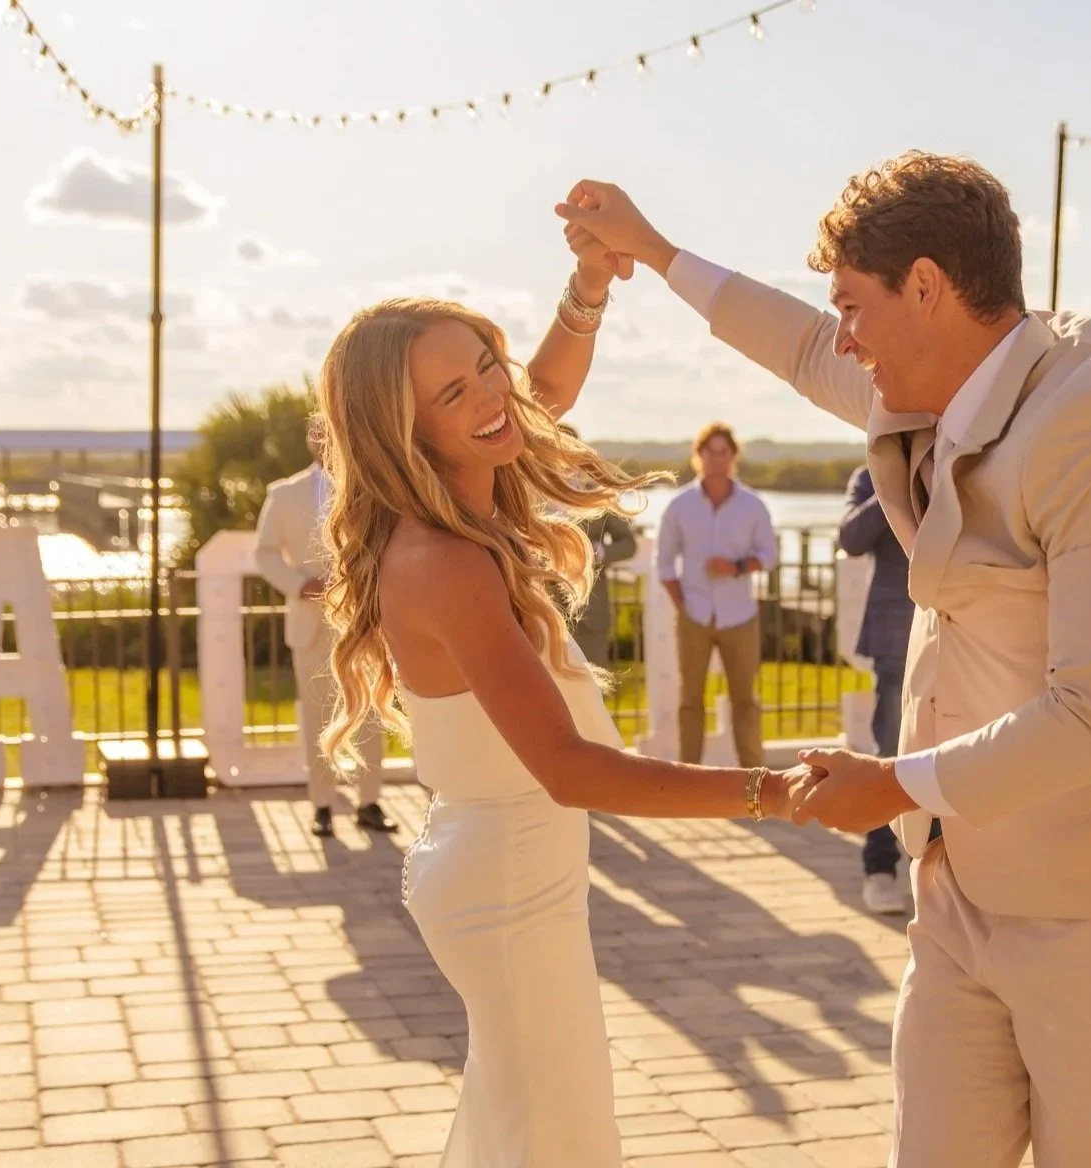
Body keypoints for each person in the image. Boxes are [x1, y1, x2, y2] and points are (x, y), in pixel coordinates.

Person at [559, 154, 1091, 1167]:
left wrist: (892, 784)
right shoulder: (930, 385)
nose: (842, 335)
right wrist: (653, 249)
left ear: (926, 286)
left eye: (853, 305)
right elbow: (798, 345)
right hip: (963, 891)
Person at [313, 233, 812, 1166]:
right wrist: (775, 794)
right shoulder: (447, 559)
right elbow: (570, 769)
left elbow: (542, 391)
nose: (493, 396)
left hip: (503, 872)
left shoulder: (463, 504)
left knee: (521, 1131)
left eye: (486, 365)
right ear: (403, 429)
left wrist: (588, 289)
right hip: (506, 888)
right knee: (556, 1140)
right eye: (452, 393)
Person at [255, 424, 395, 839]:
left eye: (329, 431)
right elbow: (264, 553)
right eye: (316, 433)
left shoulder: (373, 485)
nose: (323, 440)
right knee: (317, 717)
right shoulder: (283, 494)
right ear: (308, 439)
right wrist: (300, 585)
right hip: (310, 621)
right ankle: (322, 806)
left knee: (370, 710)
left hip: (362, 618)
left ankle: (369, 802)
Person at [656, 422, 777, 767]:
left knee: (745, 702)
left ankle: (756, 779)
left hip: (740, 616)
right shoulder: (678, 507)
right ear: (699, 456)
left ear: (733, 457)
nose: (717, 458)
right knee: (690, 701)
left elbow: (769, 555)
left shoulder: (753, 506)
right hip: (693, 615)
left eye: (724, 451)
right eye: (710, 451)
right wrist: (682, 606)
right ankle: (688, 779)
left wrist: (736, 567)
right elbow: (664, 563)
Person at [838, 463, 911, 915]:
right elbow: (851, 539)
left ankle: (951, 876)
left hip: (964, 635)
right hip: (897, 641)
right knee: (891, 752)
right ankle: (880, 869)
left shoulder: (962, 458)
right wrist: (893, 481)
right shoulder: (873, 476)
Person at [558, 424, 637, 670]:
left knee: (594, 698)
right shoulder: (528, 493)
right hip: (545, 617)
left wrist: (600, 552)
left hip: (591, 616)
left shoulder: (598, 492)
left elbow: (628, 544)